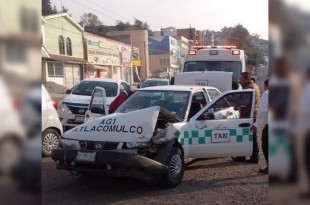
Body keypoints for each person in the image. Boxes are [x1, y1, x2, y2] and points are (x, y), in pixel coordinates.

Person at [232, 72, 261, 164]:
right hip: (250, 114)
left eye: (241, 79)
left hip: (249, 115)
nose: (239, 81)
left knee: (251, 137)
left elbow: (244, 102)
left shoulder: (250, 89)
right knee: (246, 137)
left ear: (246, 79)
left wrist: (237, 105)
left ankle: (254, 157)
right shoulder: (253, 86)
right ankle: (243, 156)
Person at [250, 79, 269, 173]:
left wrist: (255, 124)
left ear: (266, 86)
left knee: (265, 146)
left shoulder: (266, 94)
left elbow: (263, 112)